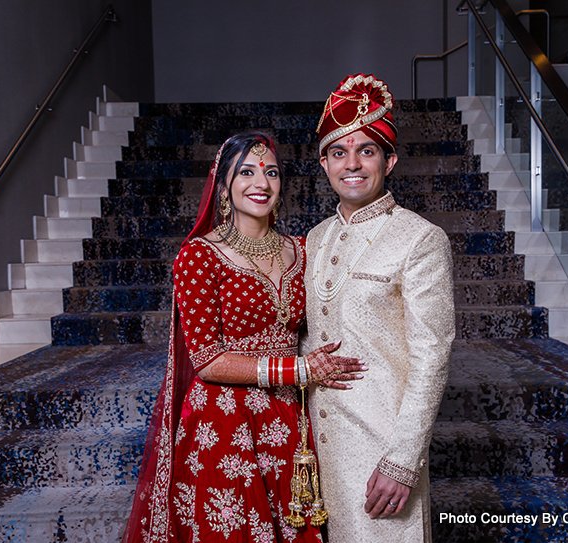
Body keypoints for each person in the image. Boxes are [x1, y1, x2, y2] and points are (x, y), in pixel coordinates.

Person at [123, 131, 366, 543]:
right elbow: (207, 359)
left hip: (290, 418)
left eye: (271, 172)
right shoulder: (200, 256)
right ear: (223, 186)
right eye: (247, 172)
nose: (262, 183)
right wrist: (302, 369)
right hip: (223, 422)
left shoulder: (302, 250)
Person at [301, 74, 455, 542]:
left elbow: (433, 356)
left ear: (389, 161)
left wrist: (404, 460)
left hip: (379, 449)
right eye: (338, 152)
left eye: (366, 150)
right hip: (316, 450)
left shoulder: (420, 239)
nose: (352, 164)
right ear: (325, 163)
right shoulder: (315, 238)